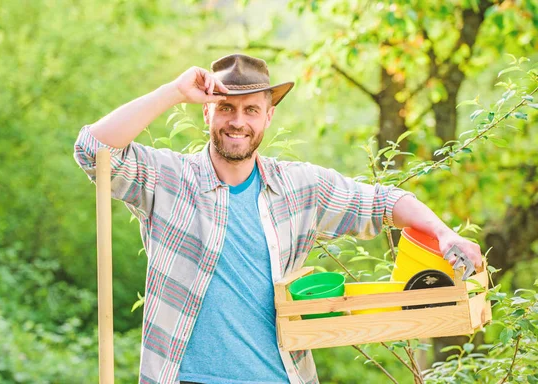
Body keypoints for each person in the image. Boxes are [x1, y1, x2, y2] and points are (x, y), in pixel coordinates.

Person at [73, 54, 482, 384]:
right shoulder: (169, 181)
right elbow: (92, 148)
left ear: (268, 117)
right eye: (226, 108)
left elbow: (382, 202)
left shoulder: (301, 187)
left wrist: (445, 236)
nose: (238, 121)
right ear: (207, 115)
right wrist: (174, 92)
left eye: (251, 109)